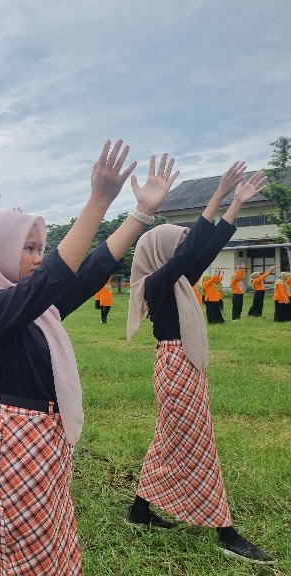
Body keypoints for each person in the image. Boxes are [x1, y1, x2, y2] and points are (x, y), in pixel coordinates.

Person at [0, 140, 177, 575]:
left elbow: (90, 271)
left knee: (47, 545)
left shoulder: (38, 309)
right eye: (29, 248)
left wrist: (141, 213)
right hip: (17, 445)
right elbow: (55, 275)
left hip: (45, 440)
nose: (39, 258)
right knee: (25, 555)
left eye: (42, 248)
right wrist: (98, 201)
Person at [126, 164, 275, 565]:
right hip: (176, 365)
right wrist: (219, 196)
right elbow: (194, 251)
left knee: (169, 440)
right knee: (198, 446)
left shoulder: (175, 280)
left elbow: (202, 250)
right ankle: (225, 531)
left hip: (182, 364)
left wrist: (235, 203)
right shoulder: (157, 282)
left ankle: (139, 510)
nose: (185, 248)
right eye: (178, 243)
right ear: (162, 252)